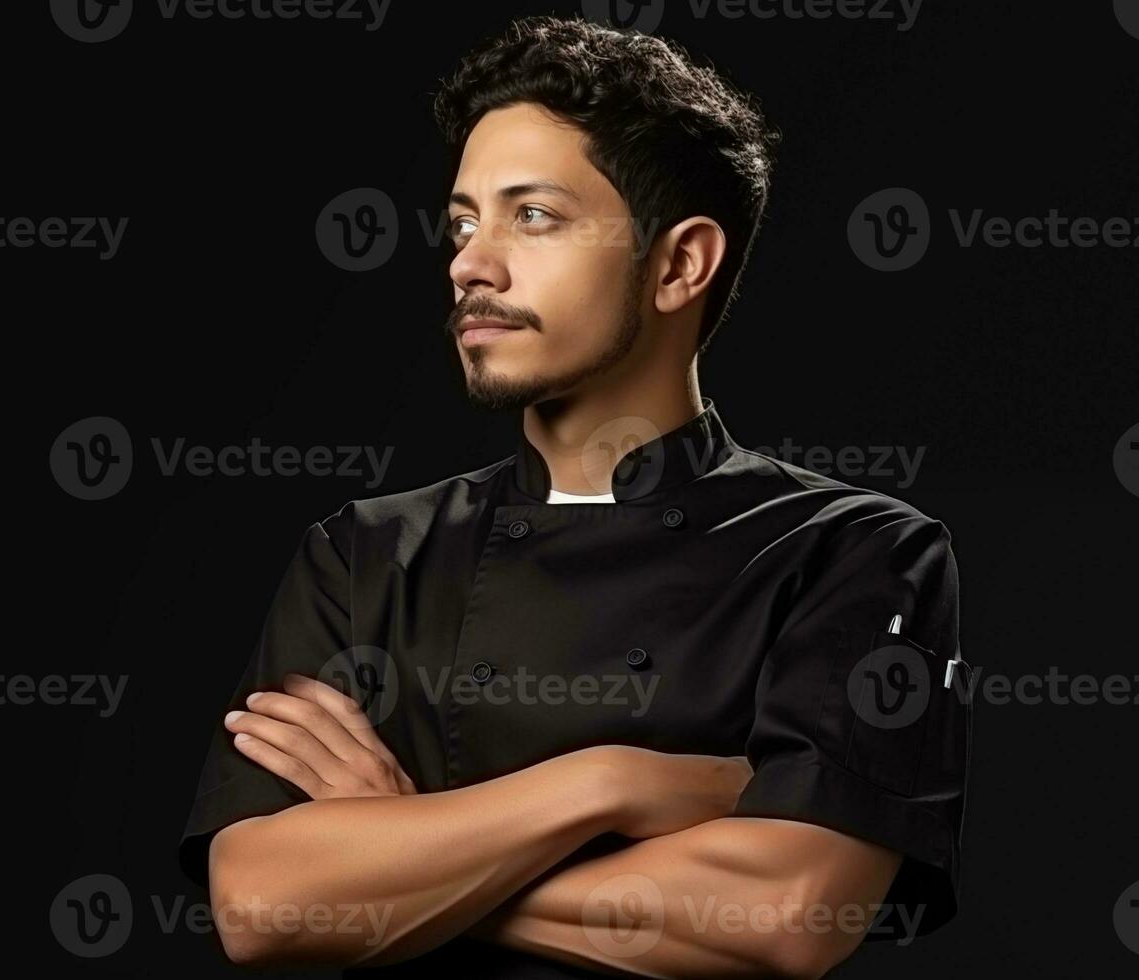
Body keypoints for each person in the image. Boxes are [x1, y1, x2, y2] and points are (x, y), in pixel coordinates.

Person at [178, 15, 971, 977]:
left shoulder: (849, 553)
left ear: (679, 264)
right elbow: (262, 905)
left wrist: (392, 859)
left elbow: (787, 914)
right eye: (464, 220)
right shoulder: (364, 555)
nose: (470, 261)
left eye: (534, 216)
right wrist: (605, 785)